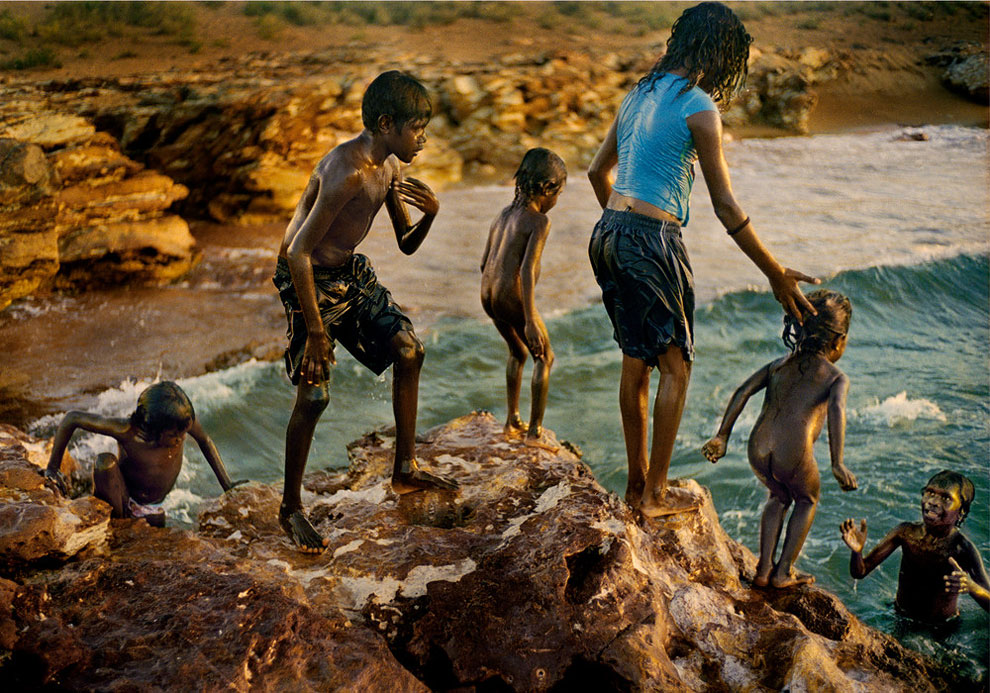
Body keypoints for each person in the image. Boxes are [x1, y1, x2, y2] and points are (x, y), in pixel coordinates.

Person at [587, 1, 820, 517]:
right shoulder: (698, 107)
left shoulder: (636, 94)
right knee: (675, 367)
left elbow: (595, 173)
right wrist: (776, 274)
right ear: (718, 57)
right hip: (652, 239)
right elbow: (725, 206)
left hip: (606, 233)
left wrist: (621, 230)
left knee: (635, 361)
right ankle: (654, 496)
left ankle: (635, 485)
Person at [273, 70, 458, 553]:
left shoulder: (389, 169)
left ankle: (405, 467)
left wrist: (431, 215)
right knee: (314, 398)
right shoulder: (348, 171)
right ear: (385, 123)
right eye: (417, 128)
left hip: (348, 274)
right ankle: (290, 508)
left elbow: (405, 243)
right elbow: (297, 253)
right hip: (307, 278)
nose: (423, 138)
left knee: (409, 350)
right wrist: (316, 331)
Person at [702, 290, 857, 588]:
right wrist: (838, 463)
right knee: (807, 498)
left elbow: (743, 390)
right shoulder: (836, 377)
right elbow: (837, 409)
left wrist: (722, 436)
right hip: (794, 454)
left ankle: (762, 570)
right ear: (839, 341)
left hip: (758, 448)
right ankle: (783, 571)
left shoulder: (778, 364)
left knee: (777, 496)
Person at [41, 381, 244, 527]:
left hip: (157, 504)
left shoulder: (182, 422)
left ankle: (135, 521)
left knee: (156, 526)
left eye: (185, 432)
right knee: (105, 462)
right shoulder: (127, 431)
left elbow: (205, 441)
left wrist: (227, 485)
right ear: (152, 429)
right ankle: (120, 524)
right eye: (174, 435)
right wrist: (53, 468)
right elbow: (72, 418)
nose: (182, 438)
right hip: (125, 499)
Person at [480, 148, 566, 450]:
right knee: (544, 356)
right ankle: (534, 434)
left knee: (518, 352)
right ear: (546, 189)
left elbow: (484, 262)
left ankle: (511, 420)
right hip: (509, 296)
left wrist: (494, 293)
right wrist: (529, 318)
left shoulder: (502, 215)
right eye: (558, 194)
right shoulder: (538, 222)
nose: (556, 202)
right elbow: (527, 270)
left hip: (487, 295)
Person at [840, 470, 990, 624]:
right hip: (899, 615)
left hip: (940, 628)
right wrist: (857, 552)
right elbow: (860, 572)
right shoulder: (905, 532)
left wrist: (972, 587)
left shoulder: (962, 549)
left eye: (945, 498)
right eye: (930, 493)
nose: (933, 501)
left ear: (961, 512)